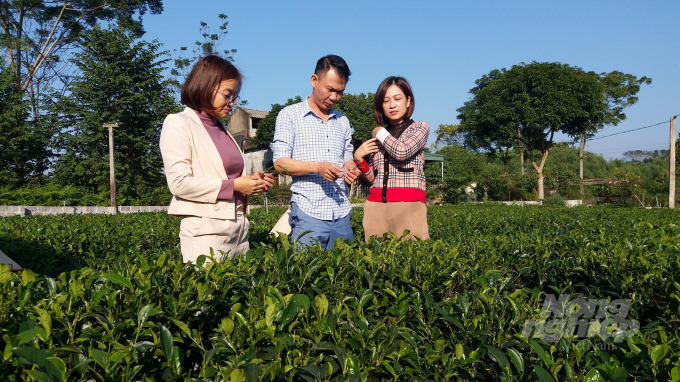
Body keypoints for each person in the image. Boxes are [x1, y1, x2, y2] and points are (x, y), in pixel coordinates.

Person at [160, 55, 274, 263]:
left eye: (235, 96)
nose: (232, 102)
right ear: (205, 86)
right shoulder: (178, 123)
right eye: (228, 95)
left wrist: (252, 181)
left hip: (238, 229)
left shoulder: (221, 127)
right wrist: (236, 185)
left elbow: (223, 174)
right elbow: (178, 183)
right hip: (206, 233)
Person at [271, 55, 360, 250]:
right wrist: (317, 167)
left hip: (341, 211)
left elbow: (347, 159)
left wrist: (351, 168)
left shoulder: (343, 121)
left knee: (344, 274)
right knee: (305, 275)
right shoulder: (290, 115)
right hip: (308, 212)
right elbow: (279, 162)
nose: (334, 97)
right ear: (314, 80)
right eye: (330, 89)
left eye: (340, 92)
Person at [353, 76, 430, 242]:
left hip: (409, 204)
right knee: (374, 259)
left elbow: (402, 151)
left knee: (413, 259)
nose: (392, 105)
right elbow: (372, 178)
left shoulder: (419, 127)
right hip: (375, 206)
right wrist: (359, 159)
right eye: (386, 100)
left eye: (397, 98)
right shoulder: (380, 137)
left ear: (408, 101)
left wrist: (379, 131)